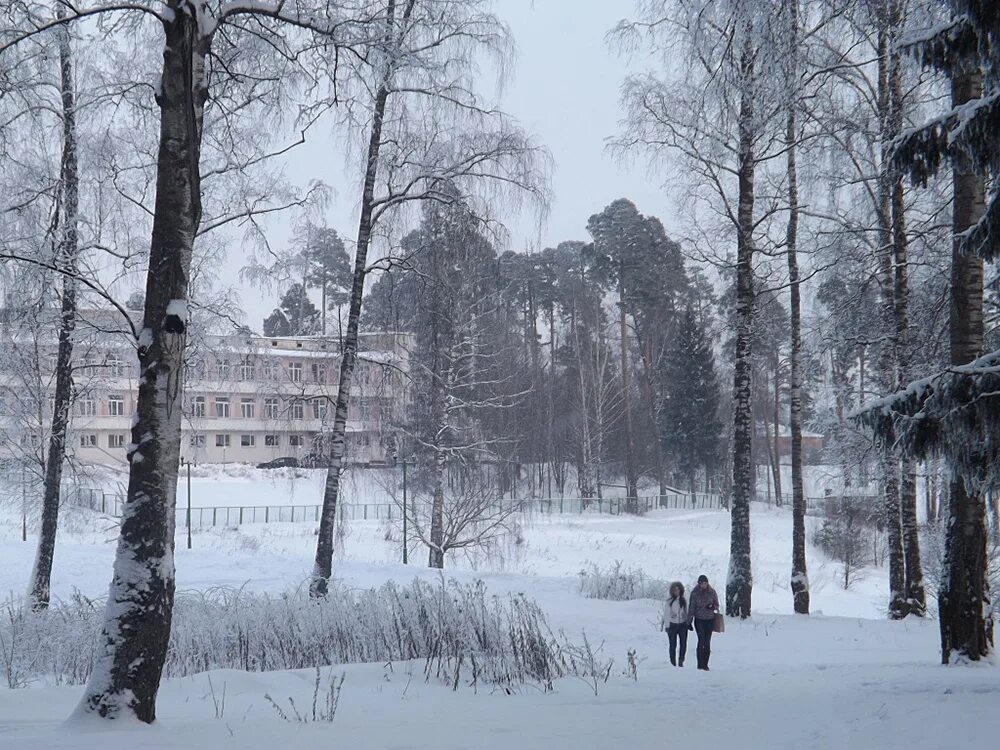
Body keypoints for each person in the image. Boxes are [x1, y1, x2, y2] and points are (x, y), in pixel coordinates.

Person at [688, 574, 719, 671]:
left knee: (707, 642)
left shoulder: (712, 592)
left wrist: (712, 607)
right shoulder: (695, 593)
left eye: (705, 583)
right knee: (701, 641)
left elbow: (717, 605)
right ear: (699, 583)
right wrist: (689, 621)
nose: (703, 585)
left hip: (710, 620)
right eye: (702, 583)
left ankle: (705, 664)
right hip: (699, 620)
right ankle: (700, 664)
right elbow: (691, 608)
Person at [665, 581, 690, 667]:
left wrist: (688, 622)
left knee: (683, 644)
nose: (677, 591)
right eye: (675, 590)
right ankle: (673, 662)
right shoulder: (669, 601)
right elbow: (666, 614)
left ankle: (681, 660)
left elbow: (686, 612)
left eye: (678, 590)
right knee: (673, 645)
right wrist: (667, 626)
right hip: (672, 625)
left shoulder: (683, 600)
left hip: (682, 625)